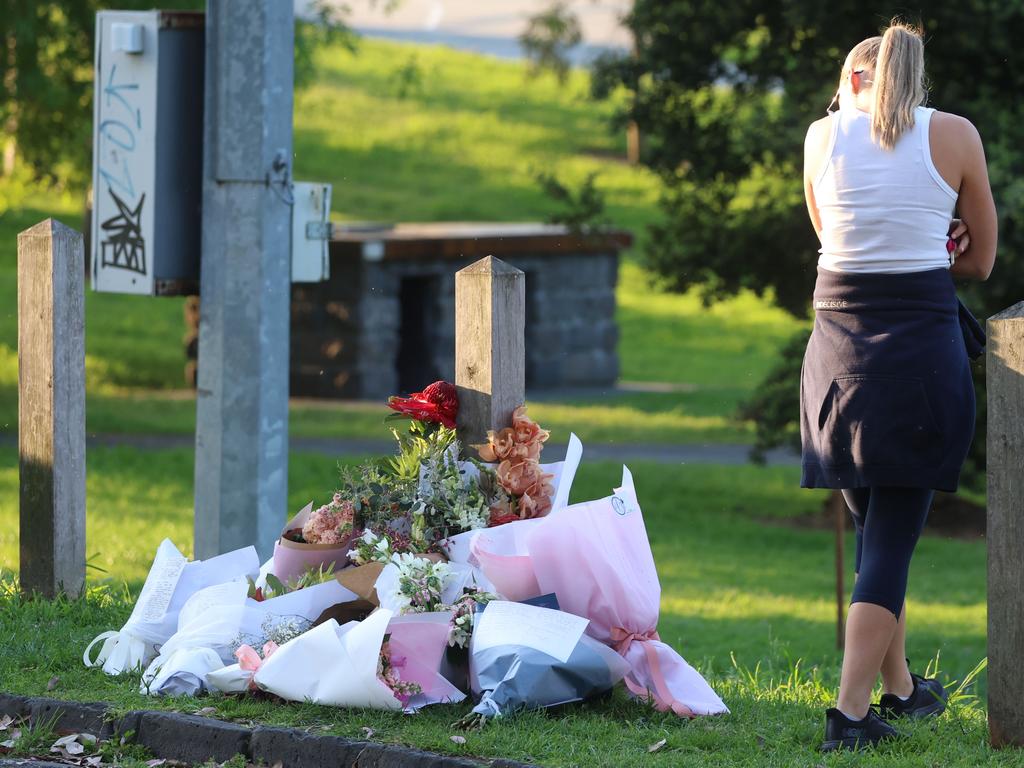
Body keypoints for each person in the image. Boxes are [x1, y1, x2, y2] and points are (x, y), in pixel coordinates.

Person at [800, 20, 997, 752]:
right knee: (888, 542)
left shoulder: (822, 141)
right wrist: (937, 243)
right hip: (917, 353)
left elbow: (830, 233)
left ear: (851, 83)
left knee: (876, 535)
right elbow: (980, 260)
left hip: (836, 358)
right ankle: (851, 717)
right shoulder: (955, 135)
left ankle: (901, 690)